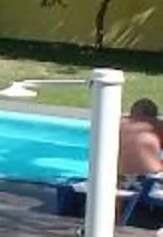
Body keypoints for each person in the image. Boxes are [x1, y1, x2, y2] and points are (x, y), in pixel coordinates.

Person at [56, 97, 163, 228]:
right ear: (154, 114)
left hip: (116, 178)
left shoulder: (117, 124)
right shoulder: (157, 125)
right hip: (148, 182)